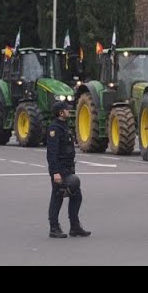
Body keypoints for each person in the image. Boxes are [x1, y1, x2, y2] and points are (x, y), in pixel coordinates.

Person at [47, 101, 91, 238]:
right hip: (59, 170)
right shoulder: (54, 129)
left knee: (76, 195)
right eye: (66, 110)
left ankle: (75, 226)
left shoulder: (65, 127)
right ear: (61, 112)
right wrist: (55, 173)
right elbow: (51, 153)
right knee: (57, 197)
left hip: (68, 168)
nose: (69, 111)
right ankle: (54, 228)